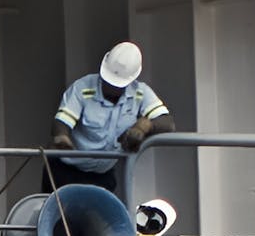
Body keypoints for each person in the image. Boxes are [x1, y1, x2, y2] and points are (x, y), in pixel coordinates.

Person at [42, 41, 175, 193]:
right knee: (59, 216)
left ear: (130, 80)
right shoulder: (83, 87)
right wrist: (61, 137)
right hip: (65, 171)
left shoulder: (140, 93)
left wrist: (144, 126)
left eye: (117, 85)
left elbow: (168, 123)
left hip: (102, 176)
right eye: (108, 81)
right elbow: (62, 121)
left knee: (101, 216)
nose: (111, 87)